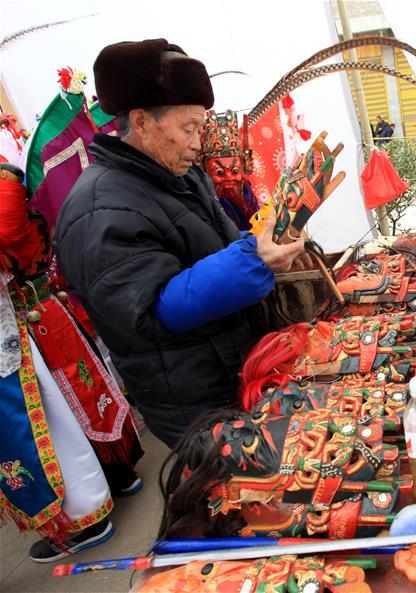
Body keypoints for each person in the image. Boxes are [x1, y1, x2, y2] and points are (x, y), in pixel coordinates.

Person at [54, 39, 308, 447]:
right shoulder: (98, 209)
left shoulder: (179, 174)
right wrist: (252, 259)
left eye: (201, 127)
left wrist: (264, 245)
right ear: (141, 121)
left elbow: (214, 250)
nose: (198, 142)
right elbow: (155, 309)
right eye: (189, 129)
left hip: (235, 372)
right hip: (193, 402)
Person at [0, 164, 120, 562]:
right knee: (68, 400)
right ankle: (112, 482)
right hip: (29, 317)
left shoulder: (6, 185)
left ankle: (86, 517)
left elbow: (11, 231)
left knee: (49, 418)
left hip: (22, 323)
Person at [199, 109, 260, 230]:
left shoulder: (248, 197)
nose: (229, 178)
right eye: (219, 172)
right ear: (204, 170)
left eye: (235, 171)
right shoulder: (201, 205)